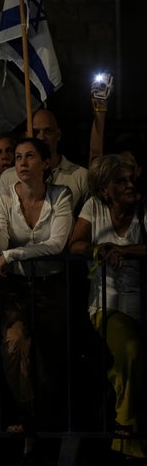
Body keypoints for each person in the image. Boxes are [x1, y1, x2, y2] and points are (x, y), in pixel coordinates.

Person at [0, 137, 74, 464]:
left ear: (46, 163)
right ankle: (30, 423)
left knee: (48, 358)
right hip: (16, 288)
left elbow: (56, 244)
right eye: (18, 157)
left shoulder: (61, 195)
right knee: (16, 345)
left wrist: (11, 254)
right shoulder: (1, 195)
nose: (21, 162)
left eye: (30, 156)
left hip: (51, 287)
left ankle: (51, 429)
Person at [68, 154, 147, 462]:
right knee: (131, 350)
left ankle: (129, 441)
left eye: (131, 179)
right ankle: (126, 428)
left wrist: (124, 250)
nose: (130, 186)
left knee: (131, 364)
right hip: (106, 304)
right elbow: (75, 245)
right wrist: (98, 249)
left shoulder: (142, 208)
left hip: (141, 303)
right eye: (120, 181)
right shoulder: (93, 208)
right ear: (103, 190)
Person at [0, 109, 88, 217]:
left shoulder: (80, 177)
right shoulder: (8, 177)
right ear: (27, 135)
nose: (41, 137)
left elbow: (90, 221)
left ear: (58, 134)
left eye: (47, 131)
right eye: (35, 132)